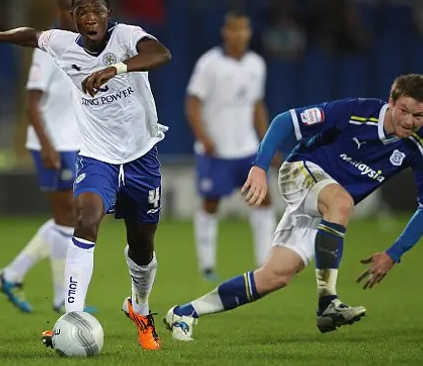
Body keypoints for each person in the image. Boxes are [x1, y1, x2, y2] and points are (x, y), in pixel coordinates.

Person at [0, 0, 171, 350]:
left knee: (142, 247)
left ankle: (140, 309)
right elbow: (32, 36)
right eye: (82, 13)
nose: (90, 18)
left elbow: (161, 54)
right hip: (96, 156)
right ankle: (70, 316)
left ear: (109, 16)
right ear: (74, 18)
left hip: (141, 157)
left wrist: (116, 69)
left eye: (97, 12)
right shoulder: (62, 44)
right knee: (86, 218)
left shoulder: (126, 37)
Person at [164, 74, 423, 340]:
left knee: (274, 277)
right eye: (404, 110)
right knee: (342, 203)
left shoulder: (415, 148)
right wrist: (259, 167)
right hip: (300, 171)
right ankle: (327, 302)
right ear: (391, 101)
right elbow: (283, 121)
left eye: (418, 116)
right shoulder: (357, 111)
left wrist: (393, 254)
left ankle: (185, 312)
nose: (409, 121)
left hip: (322, 206)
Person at [0, 0, 94, 314]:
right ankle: (62, 298)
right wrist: (48, 146)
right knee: (68, 218)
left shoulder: (83, 46)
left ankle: (11, 274)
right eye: (66, 8)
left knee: (69, 218)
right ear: (58, 10)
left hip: (75, 143)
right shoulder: (46, 47)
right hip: (52, 144)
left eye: (76, 8)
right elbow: (32, 105)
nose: (71, 14)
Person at [186, 11, 276, 280]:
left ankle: (266, 261)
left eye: (244, 29)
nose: (239, 34)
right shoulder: (209, 64)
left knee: (264, 200)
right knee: (211, 203)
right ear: (225, 32)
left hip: (247, 148)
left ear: (249, 33)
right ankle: (207, 265)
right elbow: (192, 102)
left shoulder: (256, 64)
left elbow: (257, 105)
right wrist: (204, 137)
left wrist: (266, 142)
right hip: (216, 150)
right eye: (234, 29)